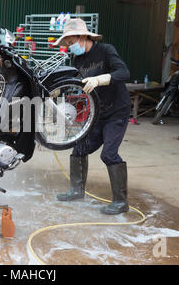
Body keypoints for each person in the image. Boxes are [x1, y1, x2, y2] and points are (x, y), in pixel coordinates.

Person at [53, 18, 132, 215]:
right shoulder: (77, 60)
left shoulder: (106, 50)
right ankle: (77, 191)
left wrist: (100, 79)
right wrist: (56, 92)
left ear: (83, 37)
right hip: (98, 112)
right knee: (79, 147)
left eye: (72, 43)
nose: (71, 47)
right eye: (68, 44)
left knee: (109, 154)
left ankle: (121, 202)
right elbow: (73, 84)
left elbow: (124, 72)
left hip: (117, 111)